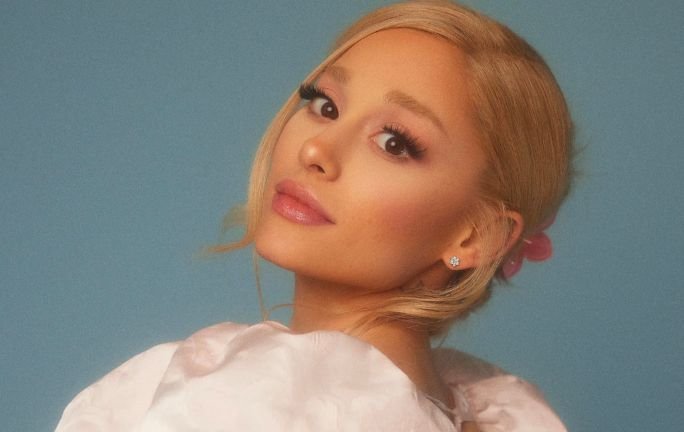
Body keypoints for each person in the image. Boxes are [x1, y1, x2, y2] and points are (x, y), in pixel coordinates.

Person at [55, 1, 572, 430]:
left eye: (394, 143)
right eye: (325, 105)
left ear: (478, 236)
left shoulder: (243, 404)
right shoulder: (503, 414)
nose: (316, 149)